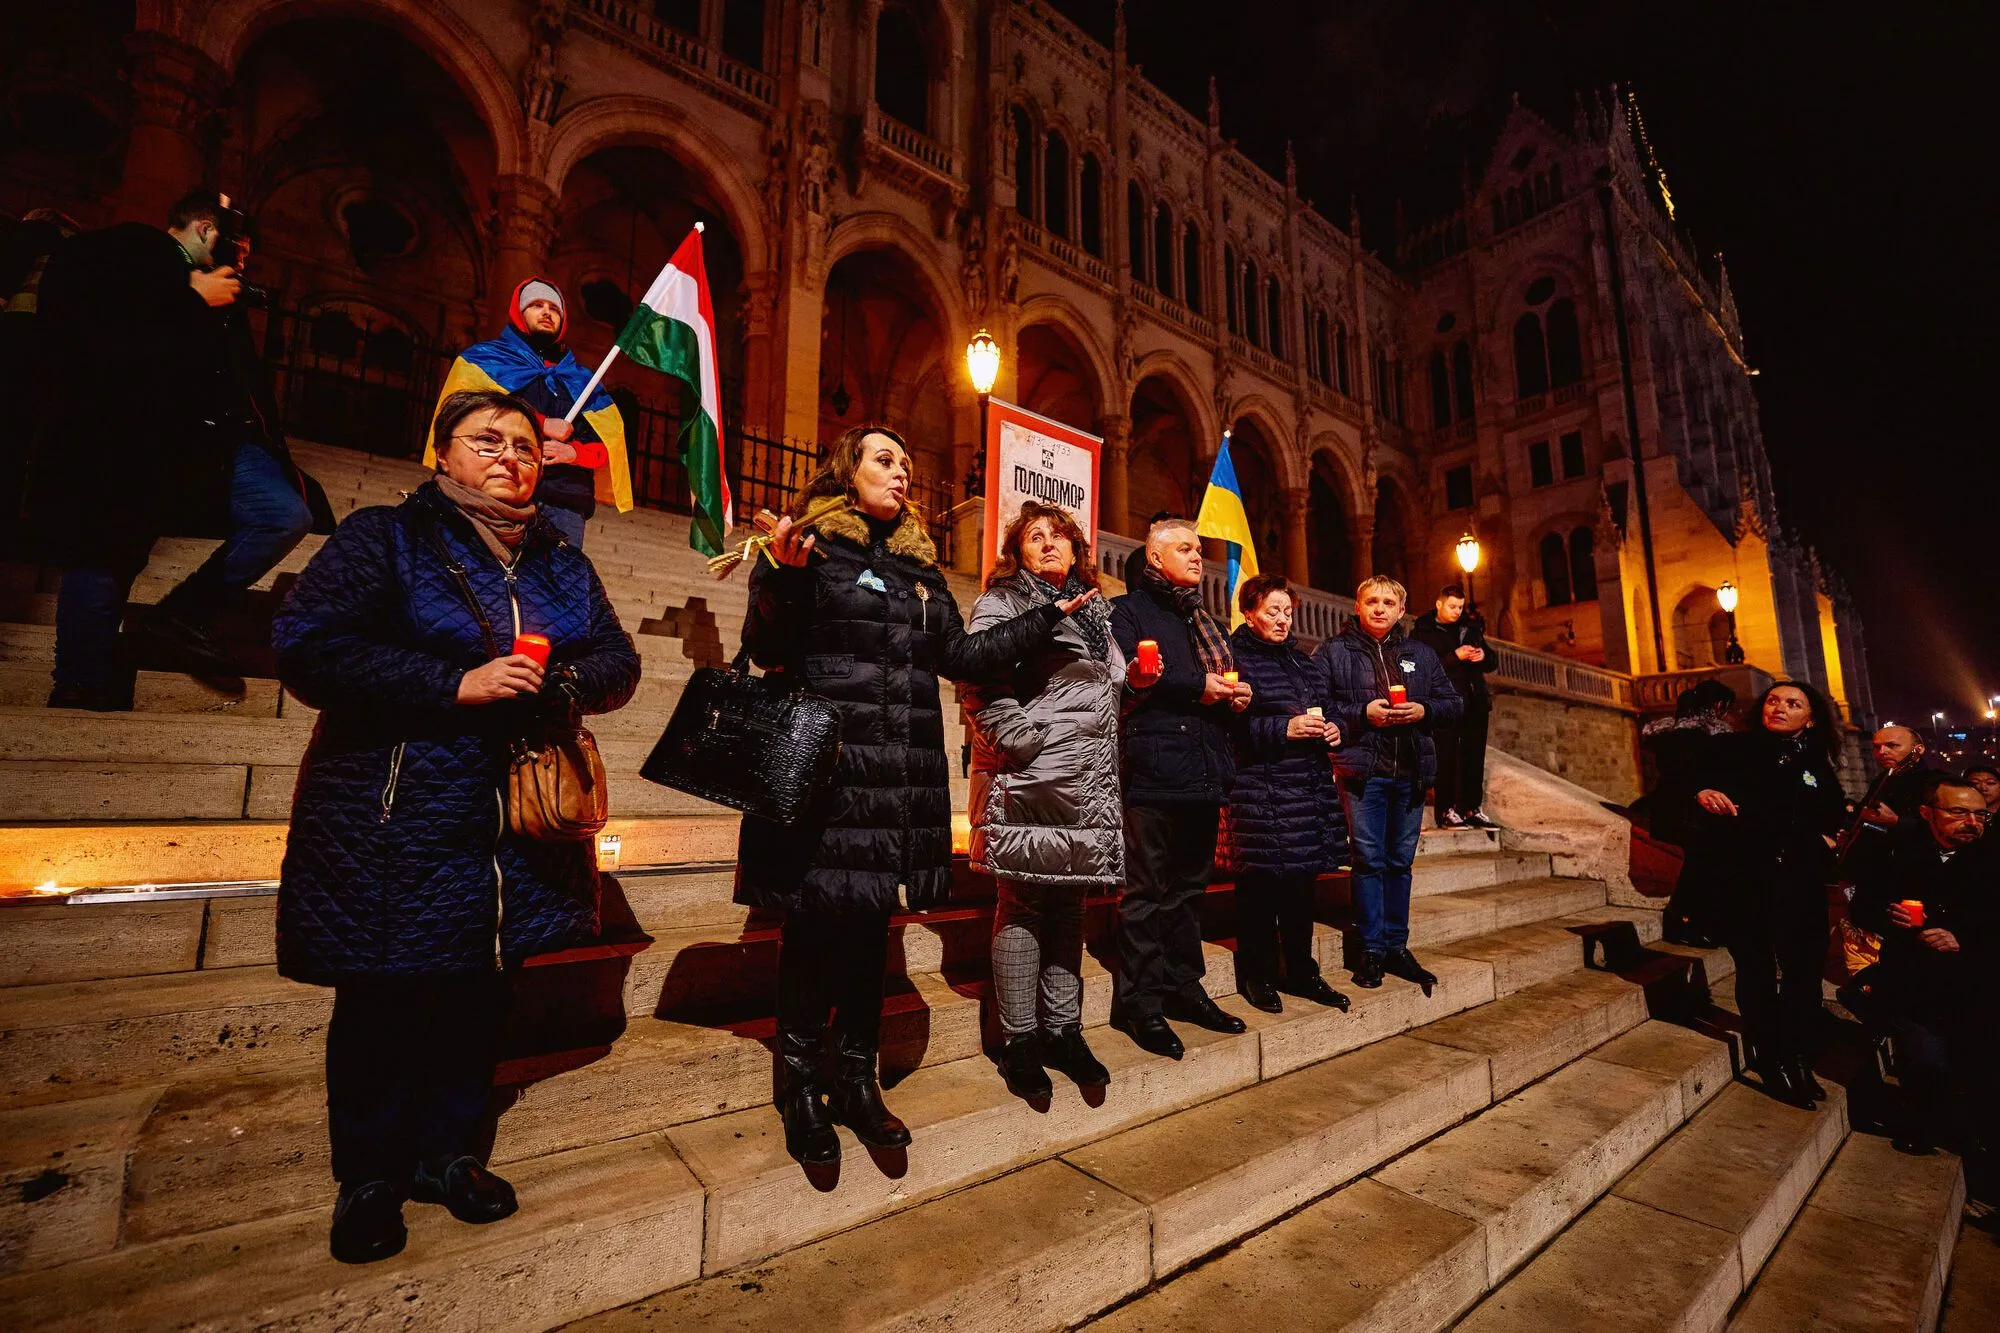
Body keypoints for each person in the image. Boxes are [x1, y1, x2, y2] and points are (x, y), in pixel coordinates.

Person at [270, 389, 641, 1264]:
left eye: (523, 445)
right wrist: (453, 683)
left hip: (514, 824)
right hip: (397, 809)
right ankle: (367, 1174)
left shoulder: (558, 559)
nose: (510, 457)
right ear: (443, 454)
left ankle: (448, 1154)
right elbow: (306, 643)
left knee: (483, 986)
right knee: (383, 991)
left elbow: (617, 660)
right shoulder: (385, 537)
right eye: (487, 441)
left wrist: (562, 686)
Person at [738, 426, 1084, 1163]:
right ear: (847, 469)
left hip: (892, 783)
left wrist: (1045, 616)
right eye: (885, 460)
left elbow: (961, 656)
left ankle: (859, 1083)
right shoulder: (807, 549)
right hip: (822, 775)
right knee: (808, 934)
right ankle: (800, 1089)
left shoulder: (920, 571)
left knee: (868, 936)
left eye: (907, 463)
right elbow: (766, 648)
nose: (903, 475)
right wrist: (784, 579)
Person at [29, 189, 314, 708]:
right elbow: (99, 326)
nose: (242, 260)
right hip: (128, 436)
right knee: (109, 548)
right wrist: (188, 295)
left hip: (210, 440)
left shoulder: (214, 293)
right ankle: (81, 677)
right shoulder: (135, 248)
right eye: (237, 245)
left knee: (283, 512)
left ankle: (182, 613)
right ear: (206, 229)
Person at [963, 501, 1122, 1098]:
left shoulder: (1095, 612)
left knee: (1068, 910)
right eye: (1036, 536)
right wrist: (1023, 744)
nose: (1051, 544)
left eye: (1060, 535)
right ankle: (1020, 1038)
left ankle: (1064, 1029)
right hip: (1030, 778)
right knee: (1024, 906)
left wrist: (1138, 686)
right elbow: (979, 680)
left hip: (1086, 782)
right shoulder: (1004, 602)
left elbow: (1101, 690)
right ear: (1018, 551)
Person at [1108, 517, 1252, 1060]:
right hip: (1152, 769)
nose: (1199, 557)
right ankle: (1140, 1002)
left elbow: (1215, 684)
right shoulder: (1128, 612)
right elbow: (1126, 677)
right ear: (1154, 556)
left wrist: (1235, 699)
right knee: (1146, 893)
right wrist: (1201, 688)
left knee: (1188, 893)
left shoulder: (1201, 618)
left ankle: (1184, 987)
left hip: (1202, 768)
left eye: (1199, 549)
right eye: (1186, 549)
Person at [1692, 681, 1846, 1108]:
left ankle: (1795, 1055)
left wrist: (1826, 841)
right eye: (1774, 700)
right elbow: (1690, 789)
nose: (1779, 707)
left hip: (1800, 880)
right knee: (1756, 968)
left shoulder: (1817, 761)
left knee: (1802, 970)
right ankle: (1770, 1056)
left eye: (1792, 703)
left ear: (1810, 718)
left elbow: (1833, 814)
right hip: (1745, 878)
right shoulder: (1732, 749)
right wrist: (1702, 794)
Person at [1320, 576, 1463, 992]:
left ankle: (1397, 945)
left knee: (1400, 862)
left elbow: (1453, 704)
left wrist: (1424, 709)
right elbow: (1318, 703)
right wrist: (1364, 713)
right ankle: (1371, 949)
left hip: (1411, 772)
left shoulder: (1420, 653)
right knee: (1368, 860)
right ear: (1357, 607)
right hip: (1364, 774)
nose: (1380, 608)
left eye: (1388, 602)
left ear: (1402, 611)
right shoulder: (1334, 652)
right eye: (1371, 601)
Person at [1218, 574, 1351, 1015]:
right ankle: (1258, 975)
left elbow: (1326, 708)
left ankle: (1302, 971)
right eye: (1272, 611)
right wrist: (1284, 728)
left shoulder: (1301, 660)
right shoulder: (1234, 657)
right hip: (1260, 793)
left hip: (1306, 791)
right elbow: (1229, 729)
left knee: (1299, 891)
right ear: (1249, 613)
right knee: (1258, 893)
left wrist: (1334, 728)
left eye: (1287, 612)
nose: (1281, 620)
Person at [1847, 778, 1996, 1157]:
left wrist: (1962, 938)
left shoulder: (1992, 857)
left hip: (1978, 981)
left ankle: (1969, 1133)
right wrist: (1888, 915)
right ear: (1928, 813)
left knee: (1972, 1062)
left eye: (1980, 814)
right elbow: (1860, 906)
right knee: (1924, 1058)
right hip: (1915, 981)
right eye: (1958, 812)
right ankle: (1923, 1124)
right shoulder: (1895, 852)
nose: (1972, 822)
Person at [426, 277, 633, 549]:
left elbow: (608, 444)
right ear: (519, 312)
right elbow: (467, 413)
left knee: (559, 587)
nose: (547, 312)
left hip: (563, 500)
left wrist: (574, 454)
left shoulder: (583, 381)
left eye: (554, 308)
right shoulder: (485, 360)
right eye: (536, 305)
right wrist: (543, 423)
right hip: (495, 491)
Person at [1637, 679, 1738, 946]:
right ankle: (1689, 921)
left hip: (1672, 808)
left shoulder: (1672, 733)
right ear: (1718, 705)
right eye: (1725, 707)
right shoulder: (1707, 736)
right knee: (1713, 852)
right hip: (1686, 813)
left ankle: (1699, 921)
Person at [1410, 582, 1498, 829]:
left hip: (1475, 702)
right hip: (1445, 704)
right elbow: (1421, 667)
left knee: (1474, 757)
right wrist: (1454, 657)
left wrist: (1483, 657)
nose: (1457, 611)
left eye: (1460, 606)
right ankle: (1446, 810)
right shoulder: (1423, 632)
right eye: (1452, 606)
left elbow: (1492, 661)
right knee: (1446, 758)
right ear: (1439, 604)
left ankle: (1472, 808)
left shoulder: (1470, 628)